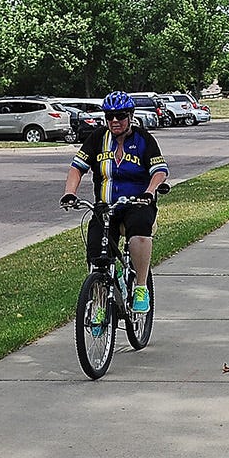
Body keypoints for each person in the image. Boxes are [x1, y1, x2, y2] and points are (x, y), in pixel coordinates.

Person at [60, 90, 167, 312]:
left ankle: (140, 287)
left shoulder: (143, 139)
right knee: (96, 256)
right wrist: (70, 193)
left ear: (130, 116)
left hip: (138, 203)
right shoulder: (98, 138)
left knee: (139, 232)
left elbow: (159, 171)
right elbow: (77, 168)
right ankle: (100, 304)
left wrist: (149, 192)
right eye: (109, 116)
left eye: (120, 116)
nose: (115, 121)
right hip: (105, 206)